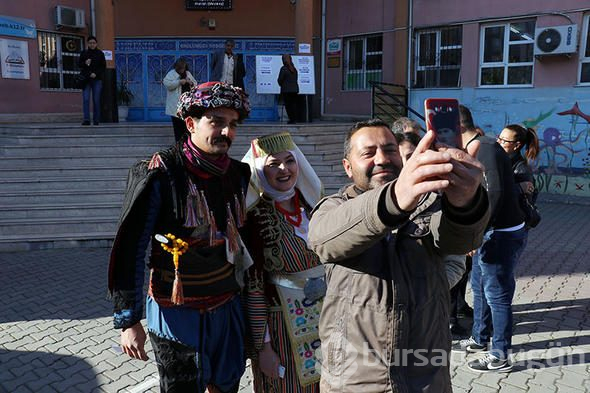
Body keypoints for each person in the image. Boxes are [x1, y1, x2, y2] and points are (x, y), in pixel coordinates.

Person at [308, 119, 490, 392]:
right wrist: (394, 198)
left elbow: (460, 240)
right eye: (368, 153)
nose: (382, 159)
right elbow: (324, 239)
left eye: (390, 150)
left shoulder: (431, 205)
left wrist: (464, 201)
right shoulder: (334, 208)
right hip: (355, 381)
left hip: (427, 379)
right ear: (348, 167)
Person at [108, 82, 252, 393]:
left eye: (232, 124)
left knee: (227, 384)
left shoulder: (239, 175)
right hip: (176, 311)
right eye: (216, 122)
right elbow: (130, 248)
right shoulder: (161, 174)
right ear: (190, 124)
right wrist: (129, 321)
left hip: (226, 305)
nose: (226, 132)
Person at [241, 131, 324, 392]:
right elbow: (254, 288)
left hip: (327, 322)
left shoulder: (317, 207)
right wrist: (263, 348)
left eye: (289, 161)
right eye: (273, 164)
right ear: (259, 170)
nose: (284, 169)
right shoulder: (253, 220)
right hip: (281, 330)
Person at [453, 105, 527, 374]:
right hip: (491, 233)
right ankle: (479, 338)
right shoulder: (480, 147)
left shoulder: (486, 148)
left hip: (500, 234)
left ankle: (499, 356)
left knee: (497, 295)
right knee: (479, 285)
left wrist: (476, 234)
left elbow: (493, 193)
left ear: (459, 128)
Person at [163, 58, 197, 141]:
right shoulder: (171, 74)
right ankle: (179, 144)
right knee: (178, 128)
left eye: (183, 68)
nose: (182, 70)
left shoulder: (188, 73)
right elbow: (167, 84)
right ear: (177, 67)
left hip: (187, 105)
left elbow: (195, 84)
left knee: (187, 126)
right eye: (180, 68)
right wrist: (179, 82)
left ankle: (187, 144)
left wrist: (190, 83)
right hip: (176, 106)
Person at [78, 36, 106, 126]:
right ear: (88, 44)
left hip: (97, 80)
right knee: (86, 99)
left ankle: (96, 120)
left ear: (96, 44)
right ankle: (86, 119)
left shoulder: (100, 53)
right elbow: (79, 64)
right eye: (90, 43)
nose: (92, 44)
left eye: (93, 43)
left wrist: (96, 74)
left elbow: (103, 66)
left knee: (96, 100)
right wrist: (85, 63)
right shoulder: (84, 53)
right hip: (86, 80)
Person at [277, 54, 300, 124]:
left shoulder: (283, 69)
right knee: (293, 105)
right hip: (294, 90)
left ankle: (291, 119)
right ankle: (294, 119)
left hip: (286, 90)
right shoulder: (294, 69)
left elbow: (280, 80)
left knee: (288, 105)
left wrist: (281, 84)